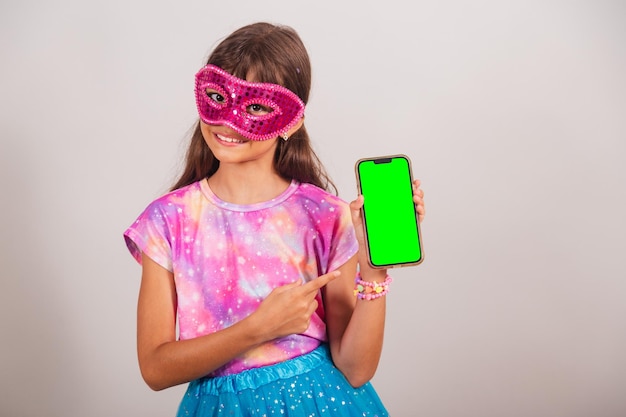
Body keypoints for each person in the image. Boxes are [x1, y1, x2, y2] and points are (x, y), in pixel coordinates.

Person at [123, 22, 426, 416]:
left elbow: (355, 369)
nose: (228, 121)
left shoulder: (325, 217)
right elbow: (155, 368)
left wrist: (373, 274)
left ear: (292, 121)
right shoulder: (167, 222)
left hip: (321, 404)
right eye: (217, 97)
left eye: (256, 107)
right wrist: (259, 328)